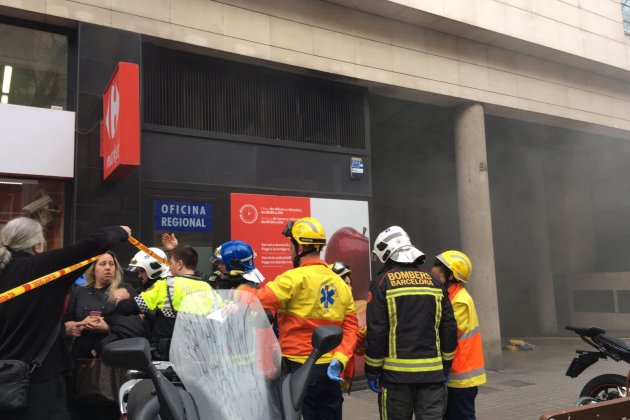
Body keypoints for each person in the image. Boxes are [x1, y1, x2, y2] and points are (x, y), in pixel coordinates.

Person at [0, 217, 130, 420]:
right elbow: (95, 243)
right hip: (42, 383)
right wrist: (122, 230)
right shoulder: (45, 267)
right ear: (37, 244)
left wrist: (63, 328)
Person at [249, 217, 360, 420]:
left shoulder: (292, 279)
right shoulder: (341, 284)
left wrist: (236, 297)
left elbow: (256, 300)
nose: (289, 250)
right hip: (330, 371)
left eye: (290, 245)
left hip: (298, 369)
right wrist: (340, 358)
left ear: (299, 248)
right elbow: (351, 328)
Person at [365, 226, 457, 420]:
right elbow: (448, 327)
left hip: (395, 379)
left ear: (387, 254)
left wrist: (372, 370)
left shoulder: (382, 282)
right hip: (432, 376)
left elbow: (377, 331)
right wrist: (446, 365)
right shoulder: (434, 281)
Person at [63, 251, 143, 420]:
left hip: (113, 362)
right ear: (93, 269)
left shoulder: (124, 290)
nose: (108, 268)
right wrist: (70, 328)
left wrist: (107, 327)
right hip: (82, 360)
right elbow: (67, 320)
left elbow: (137, 325)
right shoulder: (79, 291)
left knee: (110, 408)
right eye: (103, 264)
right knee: (82, 409)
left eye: (111, 264)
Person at [114, 245, 211, 360]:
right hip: (198, 356)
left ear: (179, 264)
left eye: (172, 263)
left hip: (167, 356)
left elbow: (129, 308)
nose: (169, 267)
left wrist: (119, 298)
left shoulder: (166, 285)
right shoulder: (207, 288)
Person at [432, 250, 486, 420]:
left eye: (438, 266)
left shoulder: (460, 300)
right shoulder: (449, 295)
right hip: (453, 374)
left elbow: (447, 331)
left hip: (460, 377)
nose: (433, 269)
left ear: (450, 275)